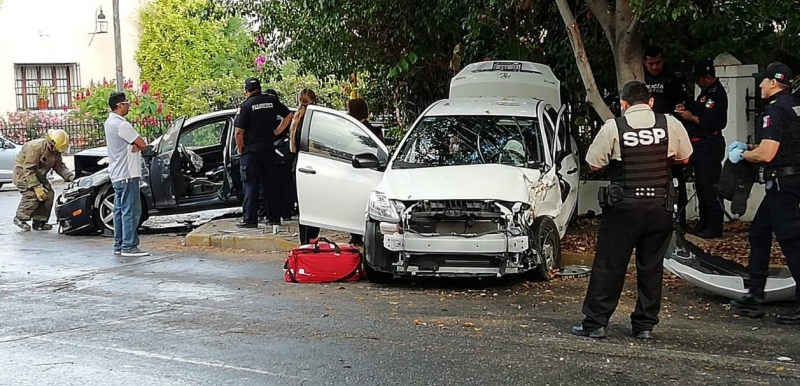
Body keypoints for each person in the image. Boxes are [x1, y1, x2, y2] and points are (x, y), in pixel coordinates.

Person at [572, 81, 693, 339]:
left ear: (623, 104)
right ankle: (645, 326)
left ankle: (596, 323)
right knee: (651, 266)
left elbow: (593, 164)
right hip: (660, 206)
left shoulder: (615, 127)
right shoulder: (669, 124)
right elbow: (684, 158)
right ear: (650, 102)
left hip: (624, 207)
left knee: (610, 265)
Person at [728, 63, 800, 324]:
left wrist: (743, 155)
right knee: (758, 232)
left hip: (783, 183)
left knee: (792, 241)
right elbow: (783, 146)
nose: (759, 85)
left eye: (763, 80)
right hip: (788, 181)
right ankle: (754, 294)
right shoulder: (792, 106)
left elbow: (768, 153)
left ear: (774, 82)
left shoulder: (775, 111)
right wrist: (749, 146)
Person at [675, 58, 728, 239]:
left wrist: (690, 117)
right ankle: (704, 222)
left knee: (710, 186)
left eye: (699, 78)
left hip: (709, 144)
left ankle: (714, 225)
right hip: (699, 145)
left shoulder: (717, 94)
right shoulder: (705, 93)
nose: (697, 82)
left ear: (707, 77)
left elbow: (711, 122)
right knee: (701, 186)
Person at [234, 78, 294, 228]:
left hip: (251, 151)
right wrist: (277, 132)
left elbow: (239, 132)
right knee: (270, 185)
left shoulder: (245, 106)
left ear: (246, 91)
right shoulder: (271, 101)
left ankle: (250, 219)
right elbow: (289, 116)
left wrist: (240, 148)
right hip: (268, 148)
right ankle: (274, 218)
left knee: (251, 185)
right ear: (260, 88)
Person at [644, 45, 692, 226]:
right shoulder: (640, 78)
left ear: (663, 60)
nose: (654, 67)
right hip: (647, 134)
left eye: (657, 63)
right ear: (644, 63)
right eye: (650, 63)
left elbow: (682, 104)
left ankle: (680, 219)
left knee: (676, 177)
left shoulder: (672, 79)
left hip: (670, 133)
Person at [104, 92, 150, 257]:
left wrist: (136, 144)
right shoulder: (122, 125)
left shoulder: (109, 123)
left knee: (119, 210)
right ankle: (129, 246)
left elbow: (136, 143)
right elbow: (142, 143)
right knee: (131, 210)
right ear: (119, 105)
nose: (129, 106)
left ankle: (119, 244)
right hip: (128, 174)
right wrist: (137, 144)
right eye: (126, 103)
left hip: (117, 174)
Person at [12, 129, 75, 231]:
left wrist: (70, 177)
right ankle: (20, 218)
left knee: (48, 194)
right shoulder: (35, 148)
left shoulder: (56, 151)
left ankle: (39, 222)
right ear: (50, 143)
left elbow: (59, 166)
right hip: (23, 175)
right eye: (56, 149)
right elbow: (28, 169)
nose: (57, 151)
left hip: (38, 175)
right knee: (32, 195)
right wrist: (36, 187)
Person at [344, 98, 383, 245]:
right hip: (374, 172)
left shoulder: (355, 131)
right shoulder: (375, 130)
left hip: (357, 171)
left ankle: (355, 236)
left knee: (354, 205)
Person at [285, 89, 320, 244]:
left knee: (303, 207)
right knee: (314, 207)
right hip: (313, 166)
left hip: (298, 165)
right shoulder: (314, 121)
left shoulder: (297, 120)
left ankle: (304, 242)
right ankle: (310, 241)